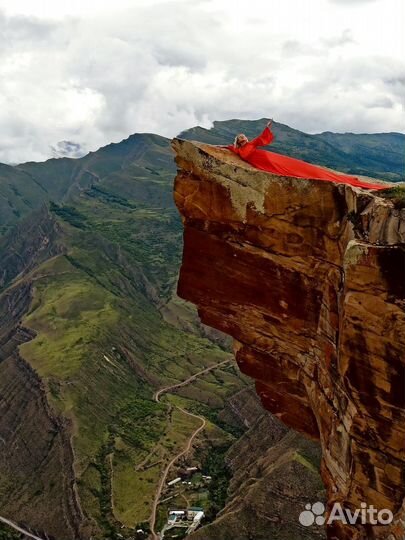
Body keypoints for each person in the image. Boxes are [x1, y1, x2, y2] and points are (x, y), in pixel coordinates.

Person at [227, 120, 386, 190]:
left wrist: (267, 127)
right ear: (238, 141)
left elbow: (262, 138)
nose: (243, 139)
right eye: (240, 138)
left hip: (267, 158)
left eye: (243, 137)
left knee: (294, 169)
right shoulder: (237, 150)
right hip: (261, 164)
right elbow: (227, 147)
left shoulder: (251, 144)